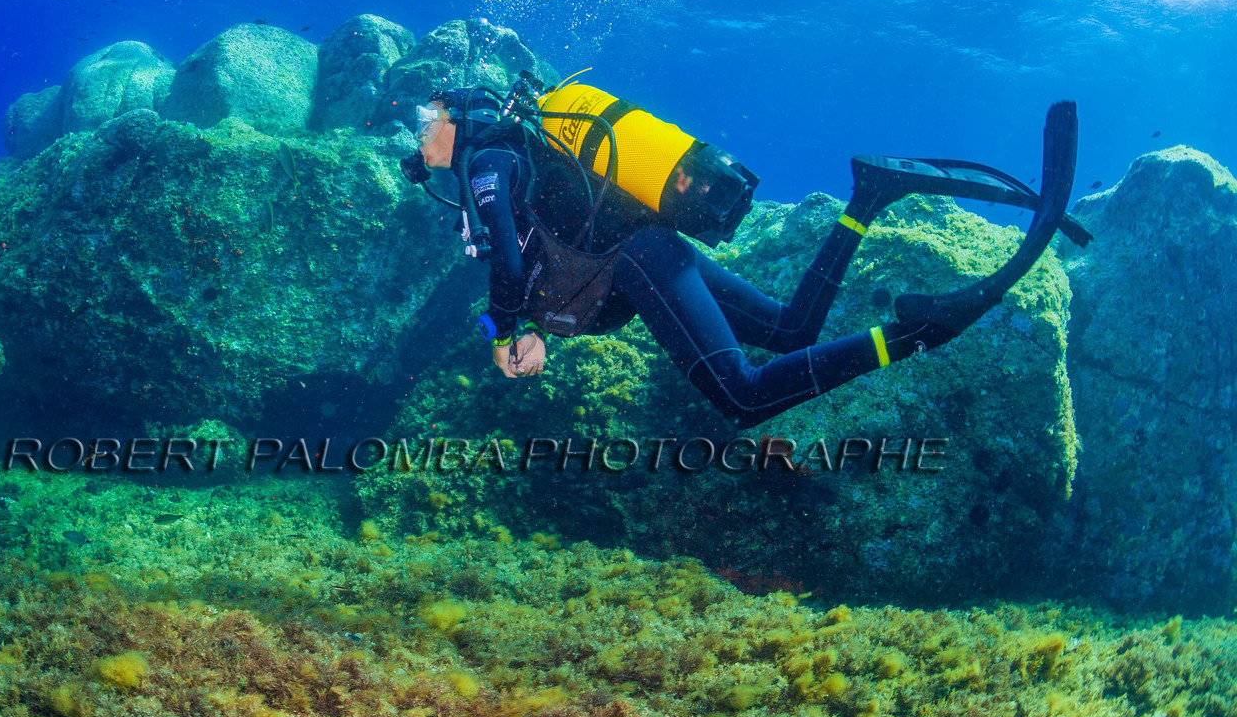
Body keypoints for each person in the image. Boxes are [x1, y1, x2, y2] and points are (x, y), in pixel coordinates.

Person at [412, 88, 1080, 429]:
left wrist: (506, 332)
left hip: (635, 259)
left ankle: (915, 334)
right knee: (792, 332)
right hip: (642, 252)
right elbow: (522, 266)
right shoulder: (499, 163)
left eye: (428, 116)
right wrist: (510, 324)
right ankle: (868, 195)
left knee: (742, 396)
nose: (420, 131)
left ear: (459, 118)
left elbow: (505, 263)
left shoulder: (487, 162)